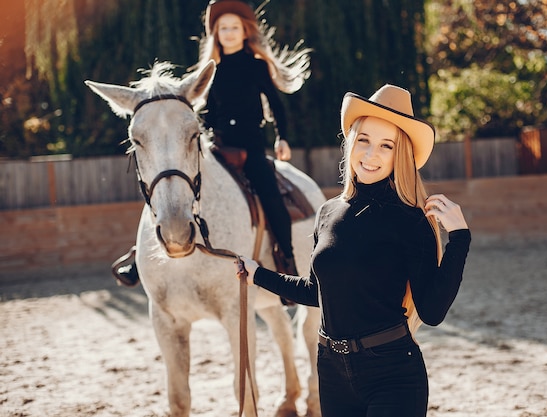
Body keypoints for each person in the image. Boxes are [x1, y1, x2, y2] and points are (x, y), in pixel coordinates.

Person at [235, 84, 472, 417]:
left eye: (385, 146)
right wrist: (258, 274)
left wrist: (459, 239)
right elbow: (317, 292)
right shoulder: (328, 212)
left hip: (392, 374)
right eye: (364, 140)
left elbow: (432, 312)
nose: (371, 154)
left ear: (399, 154)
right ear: (351, 143)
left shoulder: (410, 219)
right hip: (331, 372)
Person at [112, 0, 311, 286]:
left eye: (234, 27)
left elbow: (276, 105)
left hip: (251, 147)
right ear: (215, 34)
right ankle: (140, 256)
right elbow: (206, 114)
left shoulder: (257, 67)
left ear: (245, 32)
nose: (229, 33)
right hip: (218, 147)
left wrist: (283, 137)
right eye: (223, 28)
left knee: (270, 194)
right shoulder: (210, 71)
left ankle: (287, 261)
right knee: (174, 183)